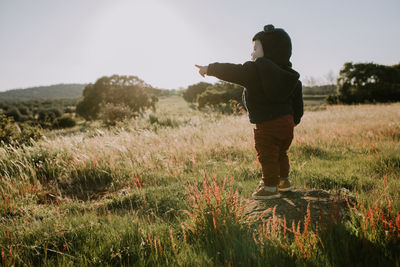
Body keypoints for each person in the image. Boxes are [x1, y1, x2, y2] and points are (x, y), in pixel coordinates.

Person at [195, 24, 303, 200]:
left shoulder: (256, 70)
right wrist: (293, 121)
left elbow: (233, 71)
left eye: (255, 48)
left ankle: (269, 187)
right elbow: (298, 104)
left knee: (267, 154)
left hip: (266, 125)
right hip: (287, 124)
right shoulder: (290, 76)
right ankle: (283, 182)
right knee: (281, 152)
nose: (251, 53)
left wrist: (210, 68)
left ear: (269, 50)